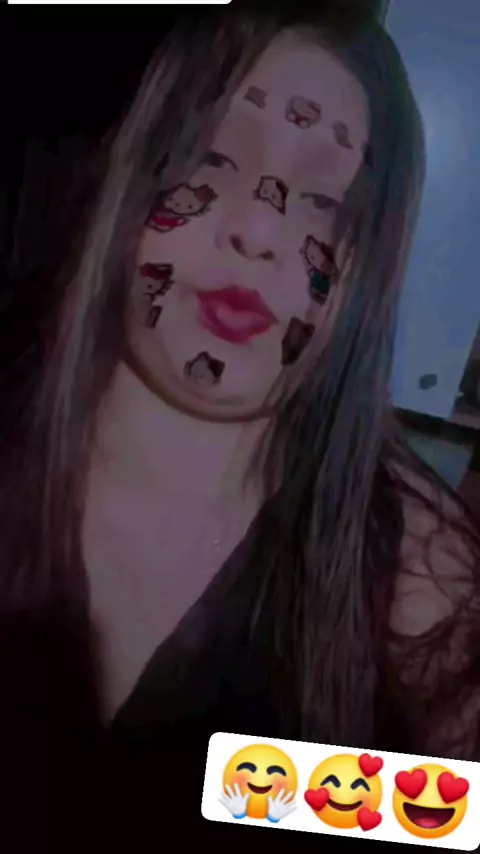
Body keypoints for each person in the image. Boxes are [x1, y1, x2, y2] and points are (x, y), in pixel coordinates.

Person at [2, 4, 479, 851]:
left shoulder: (419, 579)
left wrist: (230, 787)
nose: (258, 230)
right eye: (210, 159)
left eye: (325, 204)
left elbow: (451, 819)